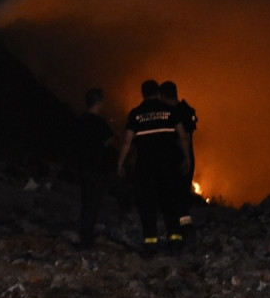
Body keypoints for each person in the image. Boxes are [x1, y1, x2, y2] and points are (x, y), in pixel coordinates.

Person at [117, 79, 191, 255]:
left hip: (146, 168)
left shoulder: (135, 114)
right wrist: (187, 158)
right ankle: (175, 241)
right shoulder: (170, 111)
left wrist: (120, 163)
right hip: (168, 166)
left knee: (147, 204)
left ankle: (150, 243)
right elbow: (182, 136)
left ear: (143, 93)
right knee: (170, 202)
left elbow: (127, 141)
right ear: (158, 93)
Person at [77, 87, 117, 248]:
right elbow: (111, 141)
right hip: (96, 169)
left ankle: (84, 234)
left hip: (83, 167)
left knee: (86, 202)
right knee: (93, 203)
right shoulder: (99, 122)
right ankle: (86, 239)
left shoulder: (80, 120)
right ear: (99, 102)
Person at [159, 81, 198, 241]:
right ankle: (184, 232)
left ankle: (178, 234)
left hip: (177, 160)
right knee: (181, 197)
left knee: (174, 197)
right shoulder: (187, 110)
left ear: (162, 95)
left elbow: (185, 136)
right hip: (184, 159)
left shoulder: (171, 112)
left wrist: (184, 157)